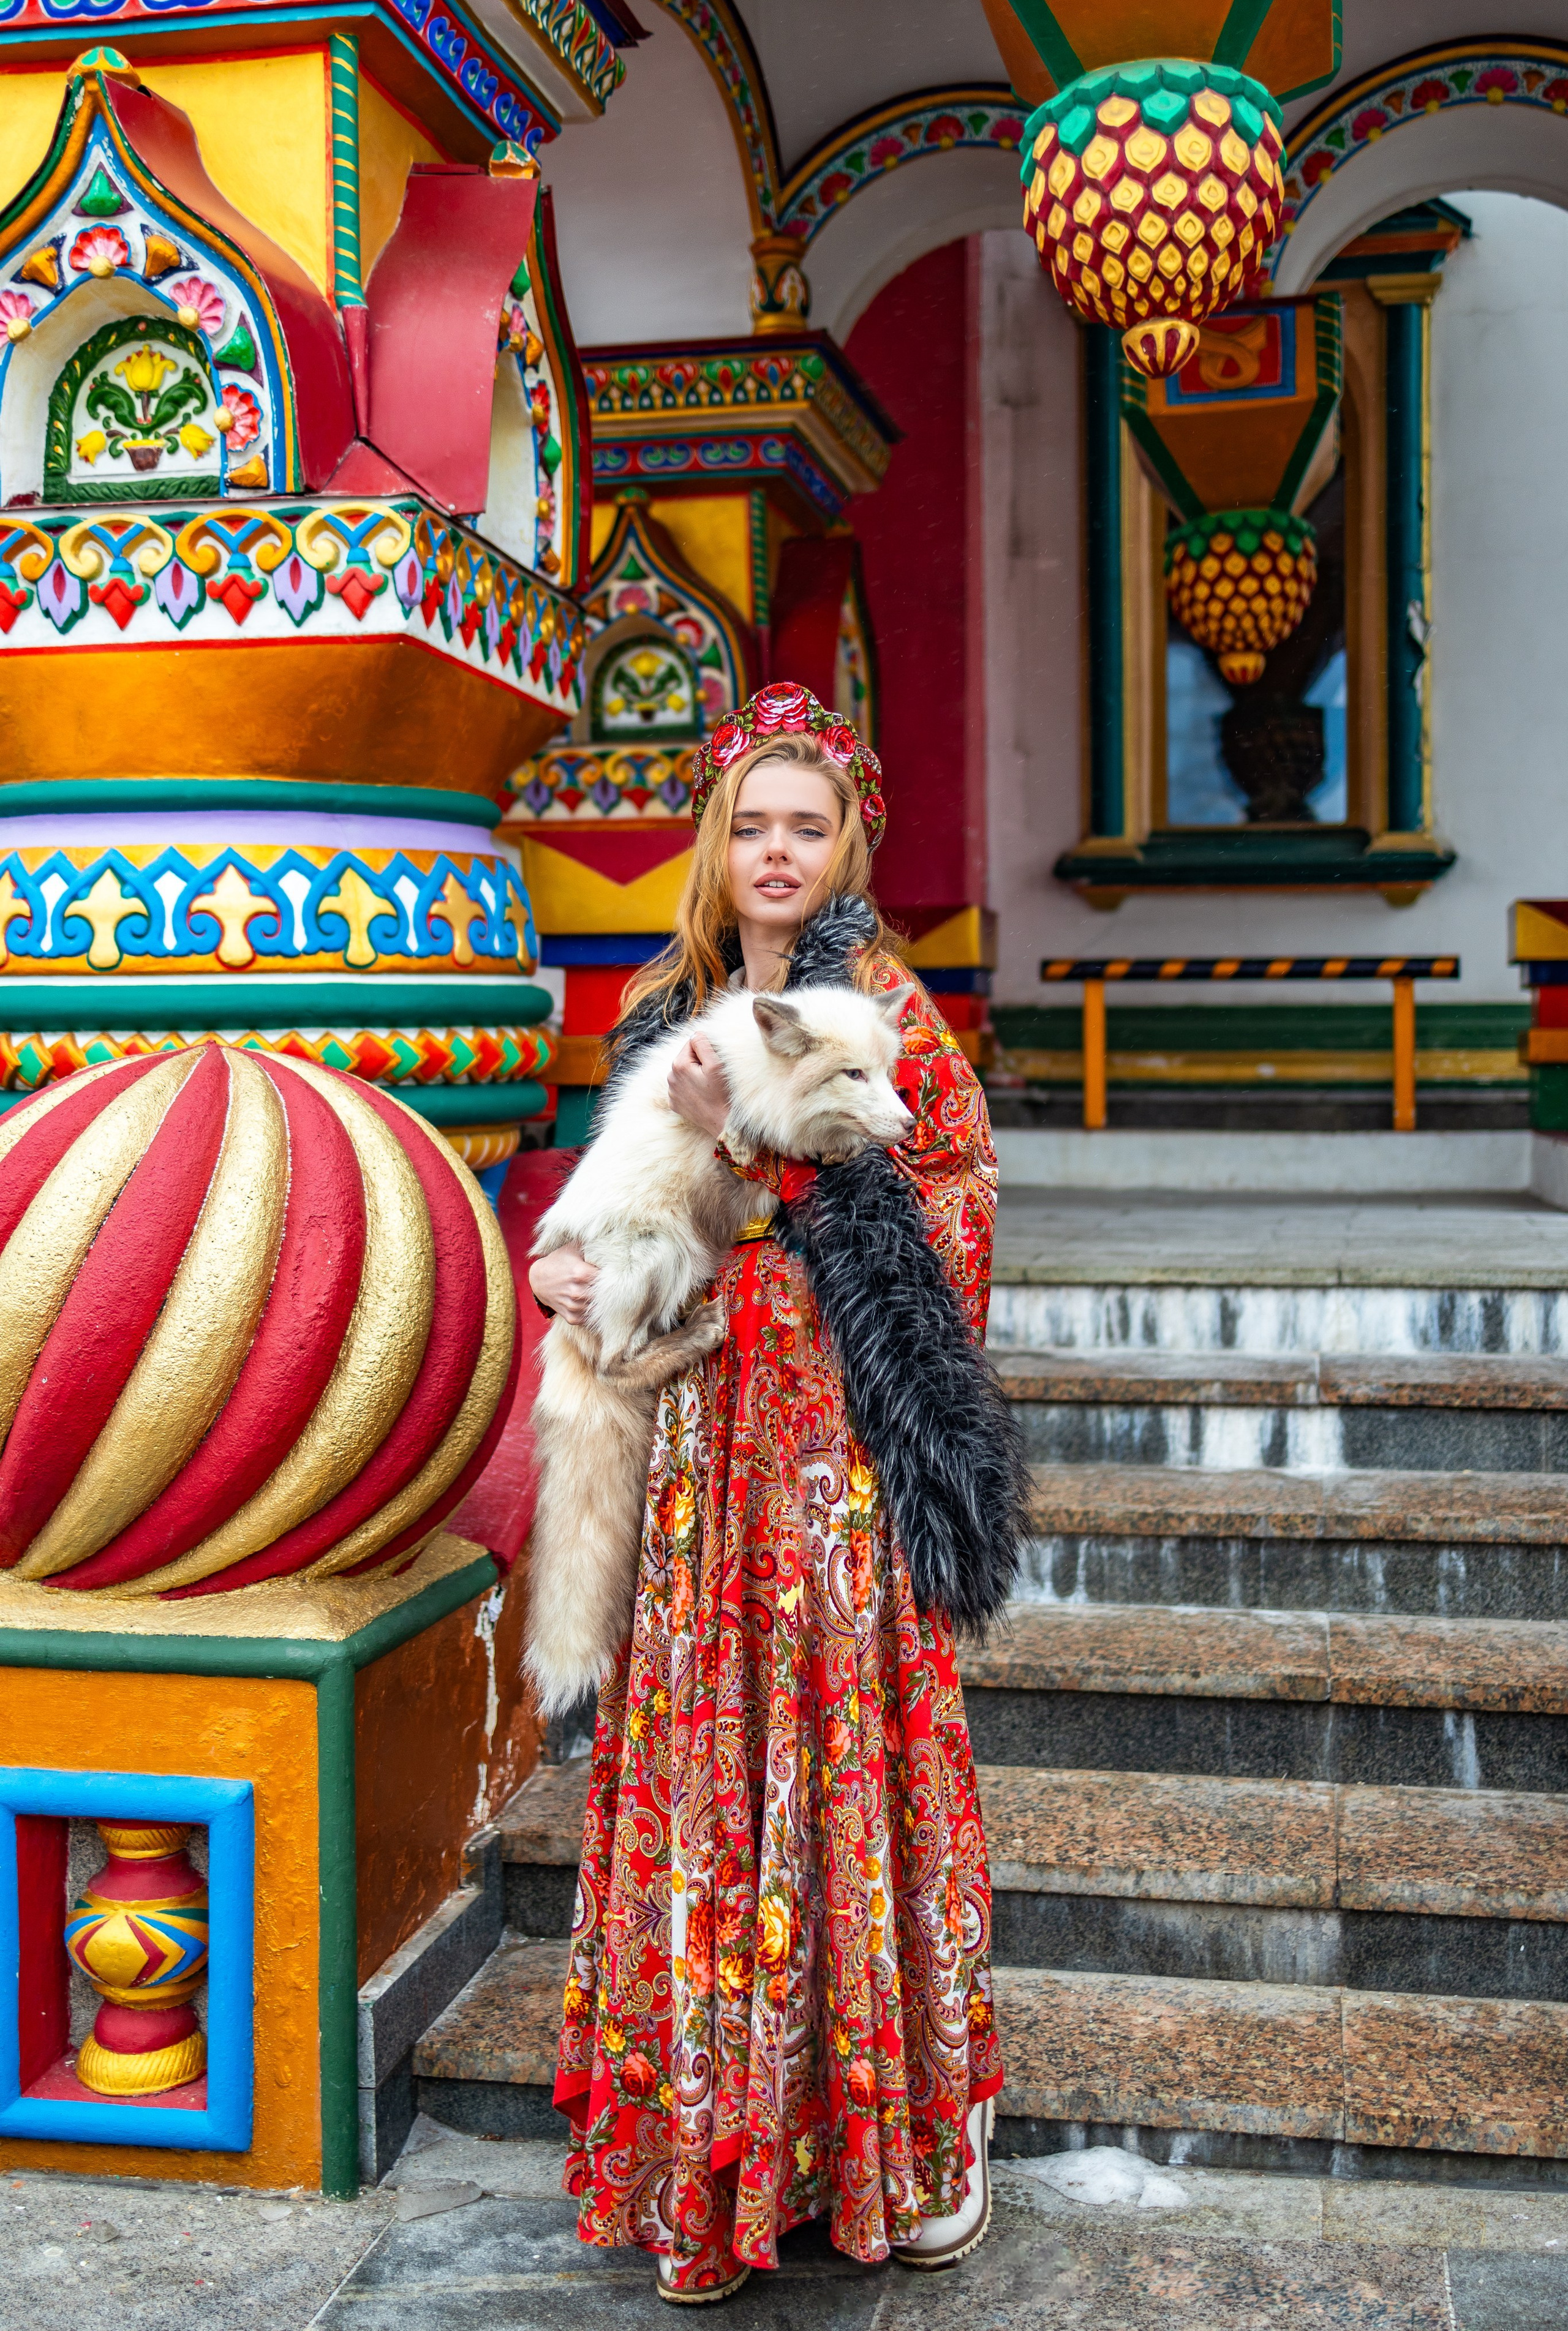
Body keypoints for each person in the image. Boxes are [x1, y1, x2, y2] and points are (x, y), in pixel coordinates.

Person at [529, 681, 1006, 2302]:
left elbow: (957, 1211)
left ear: (846, 841)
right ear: (718, 847)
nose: (779, 851)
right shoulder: (660, 1013)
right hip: (690, 1473)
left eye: (810, 826)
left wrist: (770, 1206)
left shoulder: (883, 1012)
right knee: (708, 1769)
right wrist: (589, 1293)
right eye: (755, 825)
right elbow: (607, 1222)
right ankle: (710, 2164)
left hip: (832, 1464)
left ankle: (896, 2146)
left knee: (830, 1763)